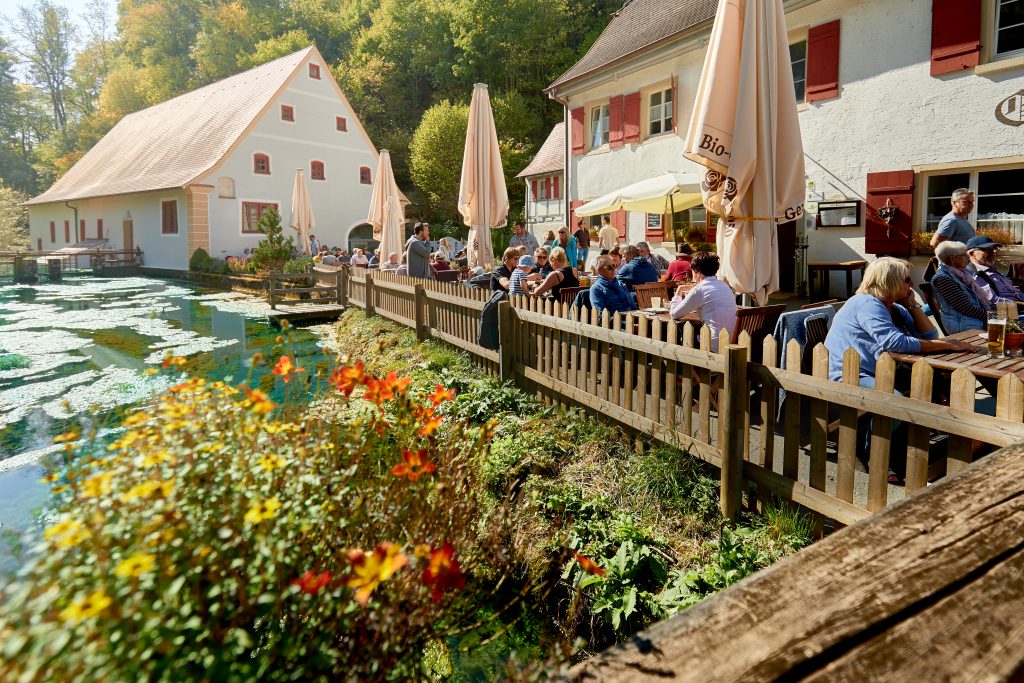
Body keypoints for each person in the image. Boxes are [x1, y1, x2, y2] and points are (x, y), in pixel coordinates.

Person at [825, 257, 975, 388]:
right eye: (907, 280)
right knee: (896, 402)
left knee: (934, 382)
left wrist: (912, 305)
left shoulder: (894, 307)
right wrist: (948, 344)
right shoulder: (867, 303)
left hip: (880, 370)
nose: (912, 283)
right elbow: (894, 343)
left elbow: (930, 335)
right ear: (889, 280)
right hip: (852, 374)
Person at [670, 252, 737, 352]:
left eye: (692, 270)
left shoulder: (699, 289)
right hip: (732, 342)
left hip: (713, 346)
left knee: (679, 332)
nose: (691, 272)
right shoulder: (725, 286)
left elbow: (674, 314)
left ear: (698, 273)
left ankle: (681, 365)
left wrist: (679, 290)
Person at [930, 241, 989, 333]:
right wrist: (994, 316)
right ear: (952, 259)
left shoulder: (963, 275)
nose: (968, 258)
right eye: (964, 255)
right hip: (963, 326)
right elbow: (966, 308)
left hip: (976, 322)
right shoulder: (942, 278)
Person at [966, 235, 1024, 303]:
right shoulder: (974, 274)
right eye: (986, 250)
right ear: (972, 254)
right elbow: (993, 300)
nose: (992, 253)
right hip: (1006, 310)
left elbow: (1016, 293)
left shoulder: (993, 271)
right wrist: (1019, 304)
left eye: (993, 249)